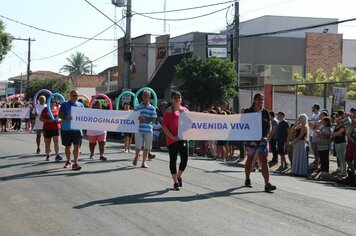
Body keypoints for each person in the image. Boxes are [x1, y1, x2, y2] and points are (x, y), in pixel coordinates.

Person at [243, 93, 276, 192]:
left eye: (262, 100)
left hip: (262, 140)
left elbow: (269, 125)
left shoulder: (265, 112)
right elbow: (243, 125)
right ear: (254, 100)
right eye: (258, 99)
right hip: (251, 141)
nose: (260, 101)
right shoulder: (248, 112)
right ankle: (247, 178)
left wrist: (266, 136)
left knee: (264, 161)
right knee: (250, 159)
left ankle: (267, 184)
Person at [162, 91, 189, 191]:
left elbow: (190, 124)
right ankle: (175, 182)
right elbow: (164, 126)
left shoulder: (185, 110)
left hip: (182, 138)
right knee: (173, 160)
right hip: (172, 139)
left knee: (185, 159)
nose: (177, 99)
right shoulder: (168, 111)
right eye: (175, 97)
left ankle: (179, 176)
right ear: (172, 99)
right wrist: (172, 137)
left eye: (179, 97)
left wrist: (188, 134)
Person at [59, 90, 84, 170]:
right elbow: (60, 115)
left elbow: (84, 116)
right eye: (74, 95)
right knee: (68, 147)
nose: (75, 97)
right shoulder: (64, 104)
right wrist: (66, 117)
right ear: (70, 96)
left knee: (76, 147)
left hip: (77, 130)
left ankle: (75, 163)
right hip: (67, 129)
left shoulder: (81, 105)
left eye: (77, 96)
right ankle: (68, 161)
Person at [132, 90, 157, 168]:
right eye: (143, 95)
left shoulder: (152, 108)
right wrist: (137, 117)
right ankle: (136, 156)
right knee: (138, 146)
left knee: (147, 147)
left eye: (146, 95)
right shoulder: (138, 107)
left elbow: (154, 119)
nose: (144, 97)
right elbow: (133, 117)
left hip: (148, 130)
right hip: (139, 129)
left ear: (149, 97)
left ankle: (143, 162)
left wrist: (145, 118)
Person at [331, 110, 347, 177]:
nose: (336, 119)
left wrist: (335, 134)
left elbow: (337, 134)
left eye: (337, 118)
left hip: (342, 142)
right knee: (339, 157)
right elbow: (333, 134)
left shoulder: (343, 126)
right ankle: (341, 171)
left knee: (342, 157)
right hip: (337, 142)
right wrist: (335, 134)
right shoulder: (337, 126)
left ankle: (344, 172)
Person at [310, 104, 321, 170]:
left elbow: (318, 124)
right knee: (313, 148)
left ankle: (318, 161)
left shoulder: (319, 115)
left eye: (313, 107)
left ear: (316, 108)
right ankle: (316, 160)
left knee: (316, 149)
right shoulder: (313, 115)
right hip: (311, 133)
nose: (312, 108)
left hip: (316, 134)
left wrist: (313, 125)